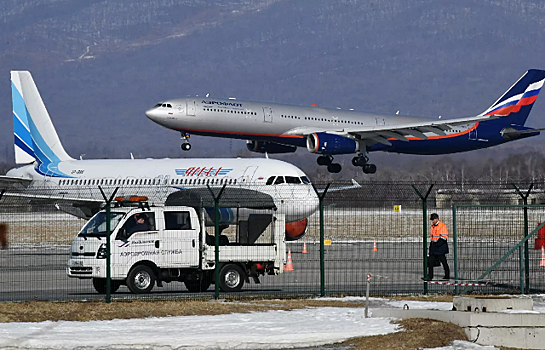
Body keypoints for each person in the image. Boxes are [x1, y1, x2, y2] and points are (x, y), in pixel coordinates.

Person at [427, 213, 450, 280]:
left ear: (437, 219)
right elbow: (433, 237)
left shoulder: (442, 226)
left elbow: (444, 237)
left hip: (440, 247)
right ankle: (430, 276)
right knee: (430, 262)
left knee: (444, 262)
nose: (432, 221)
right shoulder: (433, 226)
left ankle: (447, 275)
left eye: (433, 219)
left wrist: (436, 244)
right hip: (434, 247)